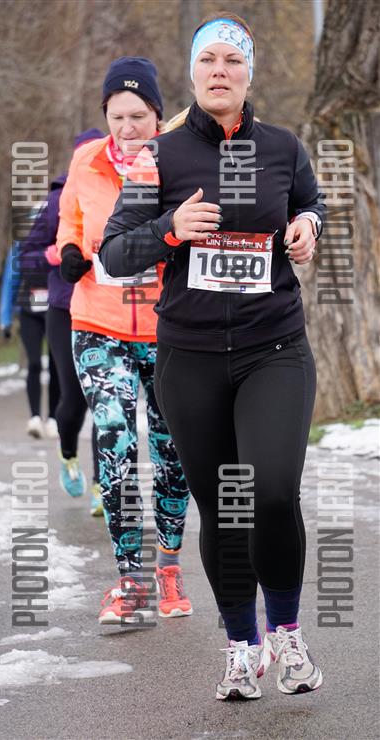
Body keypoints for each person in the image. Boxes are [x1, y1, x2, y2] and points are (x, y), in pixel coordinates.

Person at [100, 14, 325, 697]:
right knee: (224, 506)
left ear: (248, 73)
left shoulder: (283, 147)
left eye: (232, 60)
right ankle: (240, 647)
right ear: (193, 74)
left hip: (273, 349)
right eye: (208, 60)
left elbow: (311, 204)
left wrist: (306, 225)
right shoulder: (158, 158)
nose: (219, 71)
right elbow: (115, 253)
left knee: (273, 489)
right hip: (191, 357)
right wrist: (169, 228)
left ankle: (286, 635)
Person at [56, 57, 193, 624]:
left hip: (167, 325)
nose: (128, 127)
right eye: (117, 116)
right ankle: (129, 579)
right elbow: (70, 218)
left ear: (158, 115)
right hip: (96, 320)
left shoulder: (178, 160)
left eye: (138, 116)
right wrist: (69, 249)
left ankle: (168, 568)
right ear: (105, 116)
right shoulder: (86, 159)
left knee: (171, 448)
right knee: (114, 435)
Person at [19, 129, 104, 506]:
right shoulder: (56, 200)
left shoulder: (119, 190)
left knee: (106, 399)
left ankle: (103, 485)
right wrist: (52, 255)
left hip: (107, 310)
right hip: (65, 310)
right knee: (75, 397)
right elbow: (25, 257)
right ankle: (68, 453)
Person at [0, 236, 60, 439]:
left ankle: (53, 418)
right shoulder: (21, 246)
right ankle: (34, 417)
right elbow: (10, 282)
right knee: (34, 363)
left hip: (55, 311)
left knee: (55, 364)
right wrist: (5, 319)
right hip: (29, 312)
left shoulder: (60, 239)